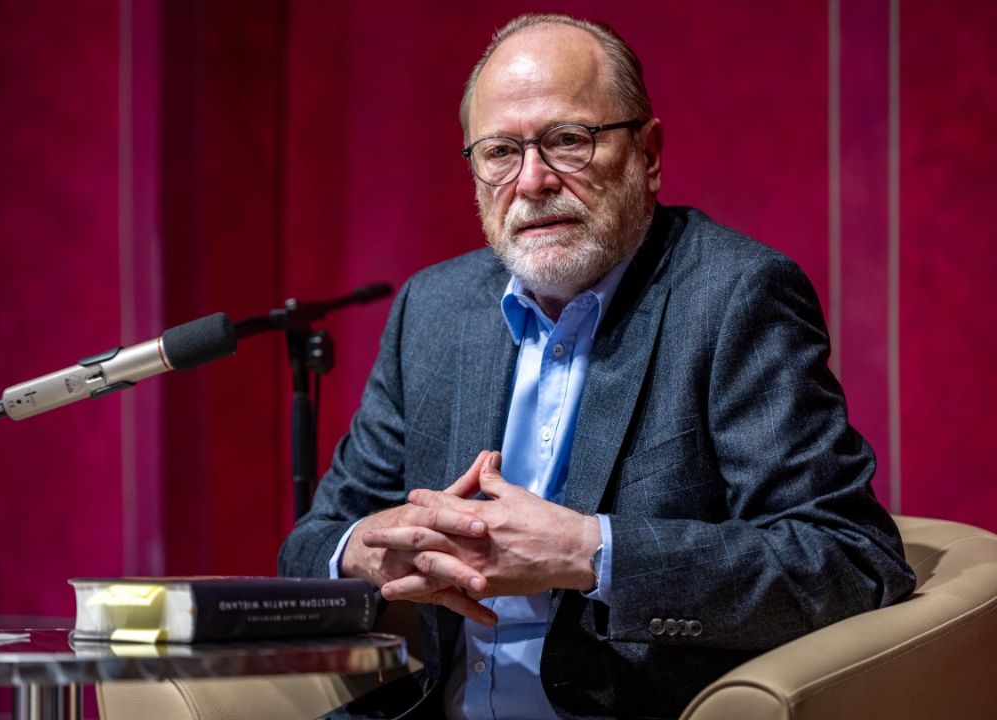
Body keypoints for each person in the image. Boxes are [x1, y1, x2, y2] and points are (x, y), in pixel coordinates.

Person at [279, 12, 915, 719]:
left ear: (648, 153)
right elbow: (311, 543)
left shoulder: (735, 298)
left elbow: (849, 559)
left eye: (567, 141)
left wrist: (590, 551)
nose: (532, 181)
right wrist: (372, 549)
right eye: (500, 152)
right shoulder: (433, 309)